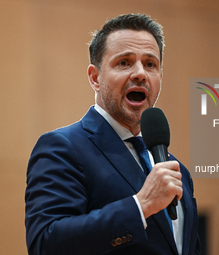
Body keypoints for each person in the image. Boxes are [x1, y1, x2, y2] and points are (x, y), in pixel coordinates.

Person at [25, 13, 200, 255]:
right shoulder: (62, 147)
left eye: (150, 64)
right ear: (95, 78)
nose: (140, 73)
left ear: (160, 76)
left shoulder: (177, 170)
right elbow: (46, 244)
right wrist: (141, 206)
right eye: (124, 62)